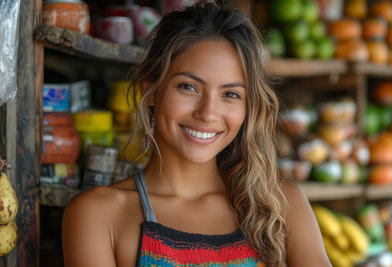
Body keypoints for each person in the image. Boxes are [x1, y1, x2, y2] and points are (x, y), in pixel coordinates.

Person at [62, 1, 331, 266]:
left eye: (230, 94)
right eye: (189, 87)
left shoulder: (280, 206)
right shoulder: (98, 214)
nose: (208, 113)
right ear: (151, 89)